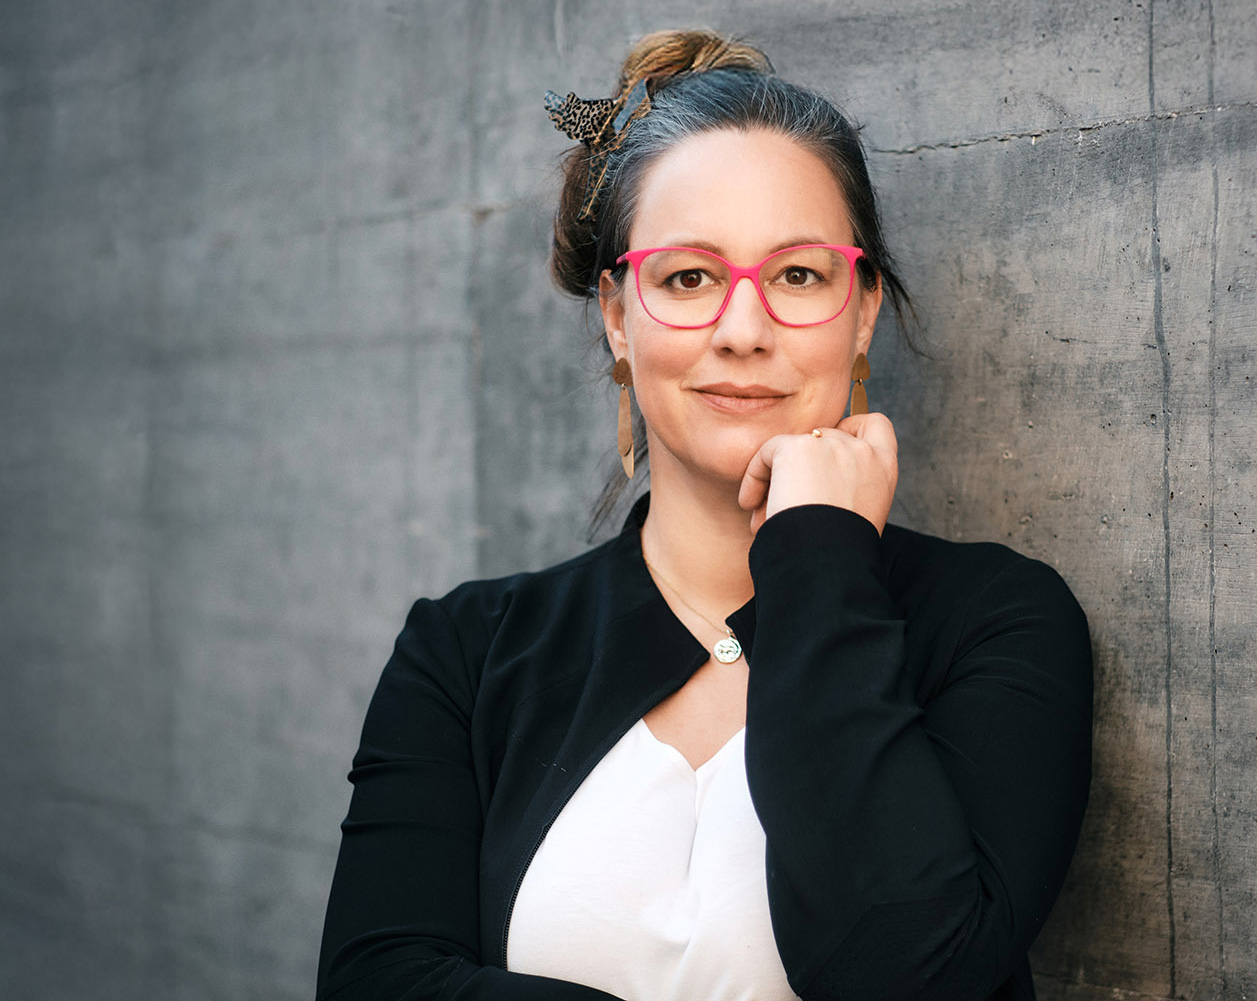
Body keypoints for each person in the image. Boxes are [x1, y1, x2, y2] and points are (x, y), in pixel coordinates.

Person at [315, 29, 1092, 1001]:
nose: (742, 329)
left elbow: (907, 971)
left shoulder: (996, 620)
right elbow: (378, 981)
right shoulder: (464, 651)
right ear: (617, 315)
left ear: (860, 311)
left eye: (798, 275)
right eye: (688, 277)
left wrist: (820, 561)